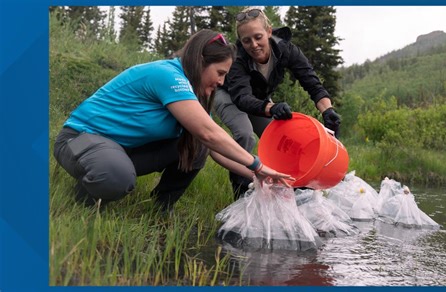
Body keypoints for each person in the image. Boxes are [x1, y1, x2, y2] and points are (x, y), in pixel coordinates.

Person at [53, 29, 293, 211]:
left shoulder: (191, 93)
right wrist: (258, 165)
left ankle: (159, 209)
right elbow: (209, 132)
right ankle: (82, 200)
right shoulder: (167, 75)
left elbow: (213, 145)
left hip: (121, 150)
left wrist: (260, 176)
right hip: (79, 140)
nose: (221, 82)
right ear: (200, 61)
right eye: (220, 73)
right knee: (116, 177)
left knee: (196, 146)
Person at [213, 7, 342, 199]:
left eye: (258, 37)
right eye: (246, 40)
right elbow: (241, 98)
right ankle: (240, 192)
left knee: (281, 139)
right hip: (229, 95)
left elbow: (311, 82)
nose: (254, 45)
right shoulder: (237, 58)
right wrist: (271, 108)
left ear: (269, 32)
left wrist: (328, 110)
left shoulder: (286, 50)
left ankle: (283, 189)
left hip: (258, 99)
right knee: (245, 134)